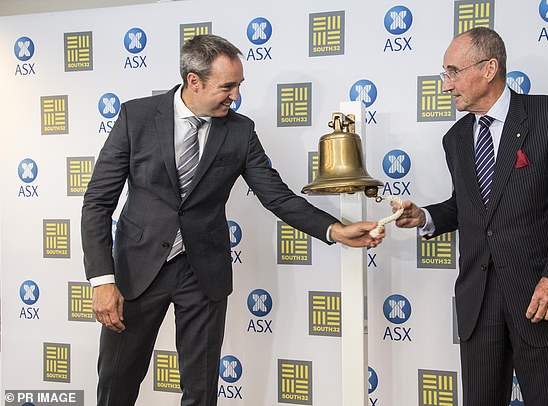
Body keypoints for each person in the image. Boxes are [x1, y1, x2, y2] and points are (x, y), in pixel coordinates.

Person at [81, 34, 384, 406]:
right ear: (194, 81)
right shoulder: (136, 117)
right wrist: (102, 280)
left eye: (239, 85)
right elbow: (97, 202)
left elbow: (276, 194)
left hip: (203, 273)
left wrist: (334, 230)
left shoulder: (240, 131)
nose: (236, 96)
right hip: (136, 272)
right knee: (117, 382)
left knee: (201, 388)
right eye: (227, 87)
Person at [394, 27, 548, 406]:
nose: (447, 85)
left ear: (490, 68)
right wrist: (425, 216)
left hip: (543, 300)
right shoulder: (456, 138)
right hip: (480, 306)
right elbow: (473, 207)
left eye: (453, 71)